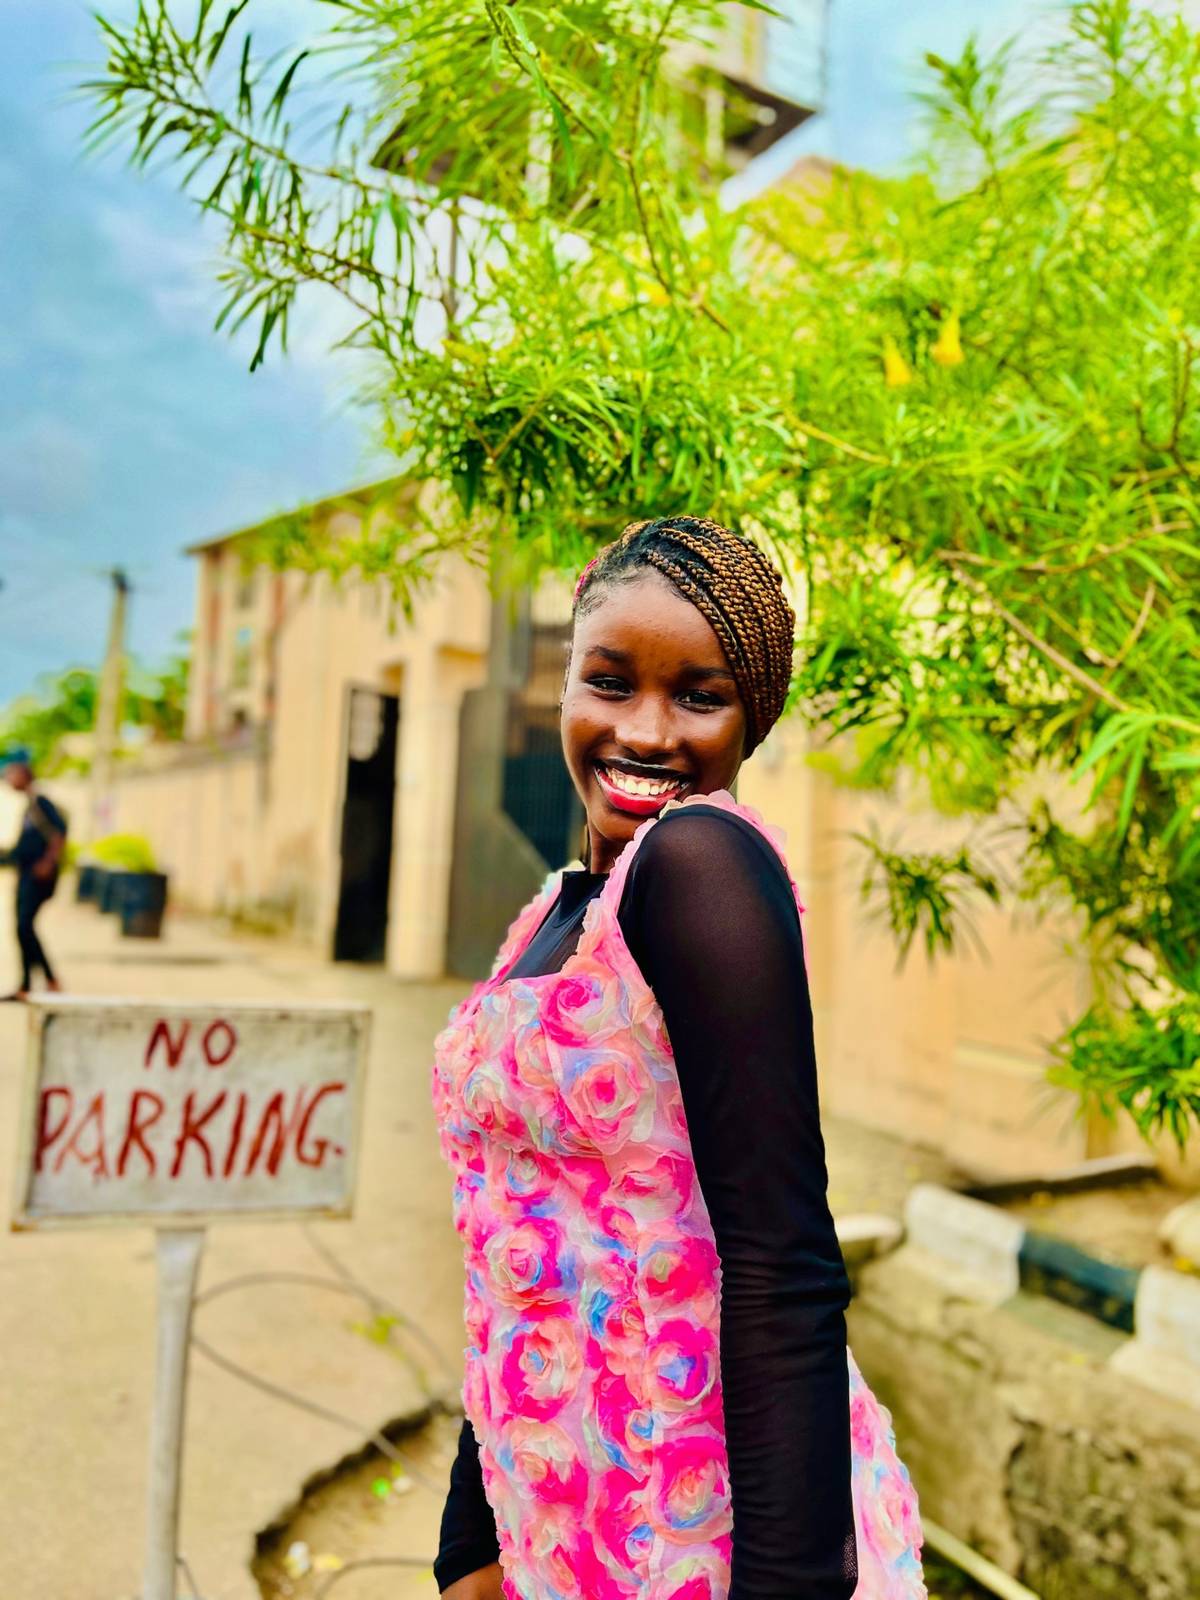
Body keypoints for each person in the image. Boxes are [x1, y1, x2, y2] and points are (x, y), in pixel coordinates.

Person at [431, 516, 927, 1600]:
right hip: (555, 1519)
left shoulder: (701, 863)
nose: (645, 732)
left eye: (700, 697)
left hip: (695, 1531)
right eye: (609, 682)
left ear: (754, 719)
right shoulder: (556, 912)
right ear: (567, 683)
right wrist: (473, 1530)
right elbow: (522, 1246)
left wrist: (784, 1589)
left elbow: (781, 1259)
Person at [1, 747, 67, 1000]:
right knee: (22, 929)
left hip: (38, 877)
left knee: (24, 926)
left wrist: (47, 862)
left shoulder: (41, 803)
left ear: (25, 773)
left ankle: (49, 980)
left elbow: (59, 834)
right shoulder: (29, 805)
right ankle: (27, 984)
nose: (8, 779)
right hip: (26, 874)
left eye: (12, 773)